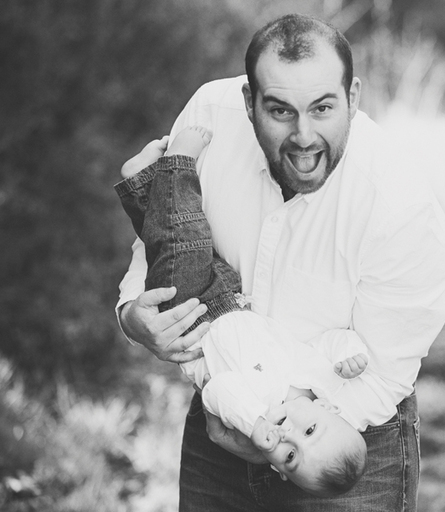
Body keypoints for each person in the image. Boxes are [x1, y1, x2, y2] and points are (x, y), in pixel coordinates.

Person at [116, 13, 445, 511]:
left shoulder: (398, 205)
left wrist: (286, 437)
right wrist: (133, 315)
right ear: (248, 102)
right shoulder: (208, 116)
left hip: (346, 434)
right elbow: (165, 228)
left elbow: (382, 376)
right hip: (222, 420)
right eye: (280, 111)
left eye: (322, 108)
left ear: (354, 97)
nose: (304, 137)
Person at [114, 125, 369, 496]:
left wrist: (253, 424)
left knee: (181, 241)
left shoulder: (252, 414)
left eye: (290, 456)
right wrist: (350, 353)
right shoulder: (317, 381)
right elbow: (330, 343)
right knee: (173, 242)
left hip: (192, 322)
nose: (289, 435)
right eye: (310, 431)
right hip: (230, 299)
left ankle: (177, 162)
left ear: (280, 472)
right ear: (331, 411)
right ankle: (142, 183)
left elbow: (219, 390)